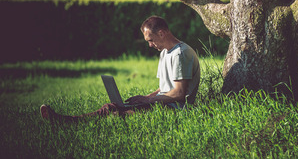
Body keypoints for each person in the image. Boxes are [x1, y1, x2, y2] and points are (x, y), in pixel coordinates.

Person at [40, 16, 200, 122]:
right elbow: (165, 88)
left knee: (114, 111)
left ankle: (68, 120)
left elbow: (179, 93)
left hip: (175, 109)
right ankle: (67, 120)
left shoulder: (181, 54)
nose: (150, 45)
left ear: (162, 33)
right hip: (162, 103)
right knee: (115, 108)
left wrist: (149, 100)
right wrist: (145, 97)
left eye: (150, 40)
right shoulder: (165, 52)